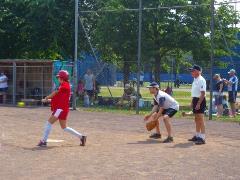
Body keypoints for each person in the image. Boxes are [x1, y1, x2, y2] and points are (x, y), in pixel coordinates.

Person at [38, 70, 87, 147]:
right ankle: (81, 137)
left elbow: (55, 93)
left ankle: (44, 141)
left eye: (59, 77)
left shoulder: (65, 85)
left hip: (60, 109)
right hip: (62, 109)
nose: (58, 79)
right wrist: (48, 100)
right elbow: (59, 98)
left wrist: (46, 97)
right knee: (64, 127)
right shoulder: (64, 86)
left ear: (62, 78)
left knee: (49, 123)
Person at [188, 65, 206, 145]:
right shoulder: (195, 79)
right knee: (196, 119)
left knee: (201, 119)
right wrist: (192, 102)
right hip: (195, 100)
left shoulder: (201, 80)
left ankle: (202, 138)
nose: (192, 72)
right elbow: (194, 92)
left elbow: (203, 93)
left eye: (193, 71)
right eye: (191, 71)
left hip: (200, 100)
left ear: (199, 71)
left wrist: (198, 103)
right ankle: (197, 135)